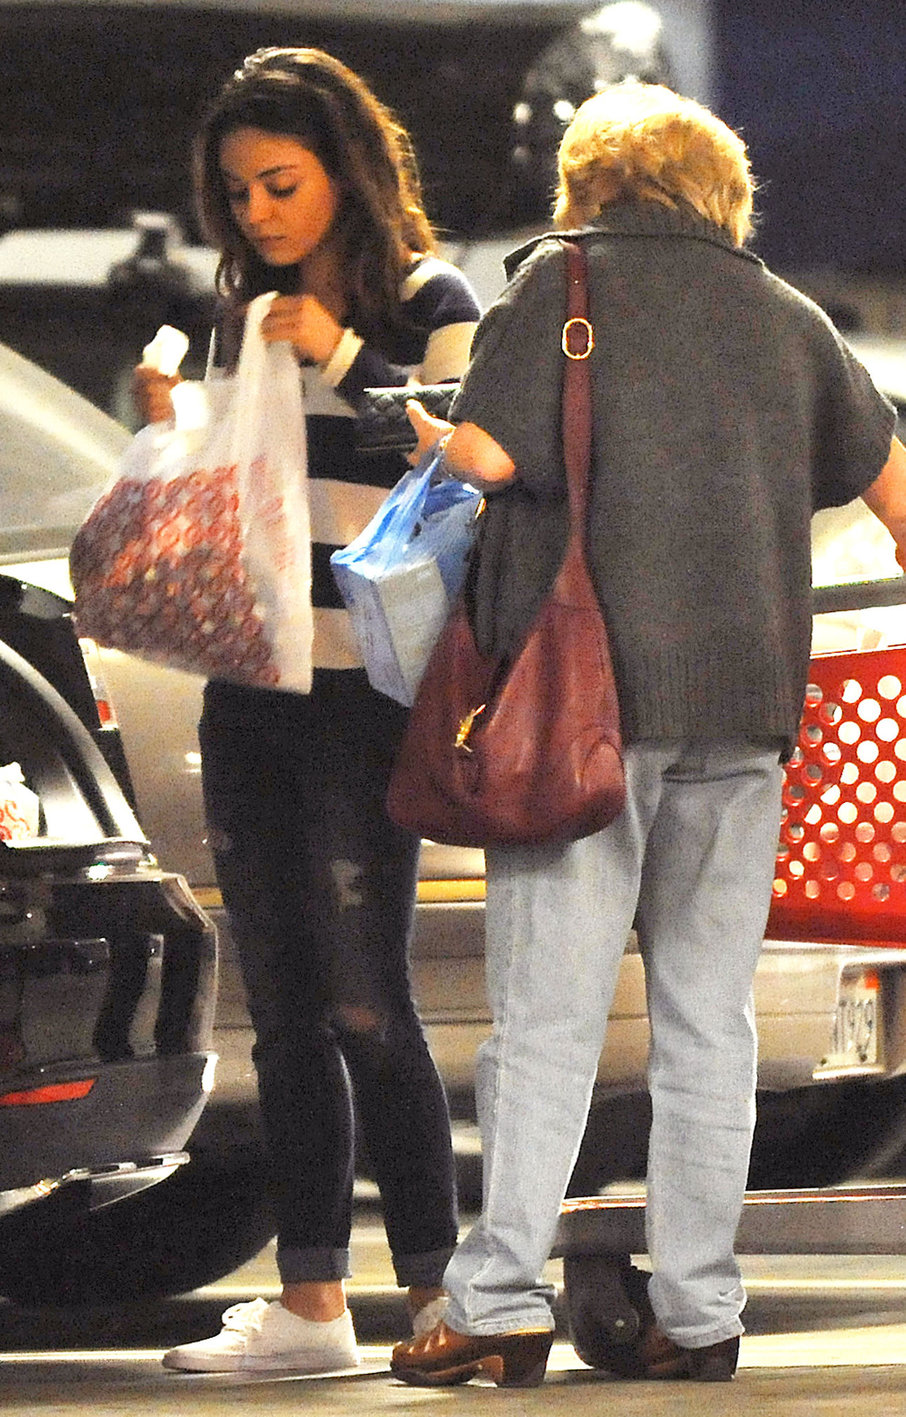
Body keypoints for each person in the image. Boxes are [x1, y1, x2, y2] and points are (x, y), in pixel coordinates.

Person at [390, 81, 906, 1387]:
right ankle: (699, 1305)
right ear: (714, 187)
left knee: (549, 1016)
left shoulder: (558, 288)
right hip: (746, 710)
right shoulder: (784, 317)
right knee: (704, 1020)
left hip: (584, 712)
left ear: (589, 180)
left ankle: (496, 1297)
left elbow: (493, 462)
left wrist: (425, 437)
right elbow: (895, 494)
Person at [133, 47, 480, 1375]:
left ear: (346, 169)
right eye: (237, 194)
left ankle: (441, 1292)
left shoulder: (427, 301)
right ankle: (314, 1302)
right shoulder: (238, 309)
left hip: (368, 695)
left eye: (280, 184)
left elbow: (472, 463)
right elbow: (229, 506)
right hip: (252, 682)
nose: (259, 214)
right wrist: (168, 435)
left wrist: (339, 353)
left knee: (364, 1002)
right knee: (278, 1009)